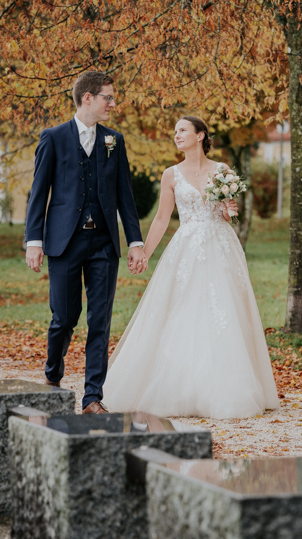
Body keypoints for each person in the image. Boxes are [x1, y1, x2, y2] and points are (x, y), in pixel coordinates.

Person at [103, 116, 279, 418]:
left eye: (182, 130)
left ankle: (227, 389)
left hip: (221, 247)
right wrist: (144, 251)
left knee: (223, 312)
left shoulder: (222, 171)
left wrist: (228, 209)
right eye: (174, 132)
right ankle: (179, 388)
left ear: (200, 135)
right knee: (183, 310)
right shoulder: (170, 175)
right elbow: (161, 218)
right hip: (186, 248)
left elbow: (227, 216)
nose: (176, 135)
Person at [24, 71, 147, 414]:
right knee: (65, 317)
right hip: (64, 242)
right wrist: (34, 240)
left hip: (104, 244)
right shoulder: (53, 138)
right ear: (88, 98)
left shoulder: (114, 140)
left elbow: (125, 194)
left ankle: (93, 397)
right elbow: (39, 194)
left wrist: (134, 240)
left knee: (100, 320)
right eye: (108, 97)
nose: (113, 103)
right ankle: (52, 376)